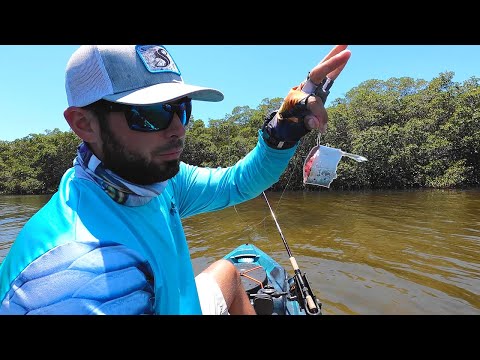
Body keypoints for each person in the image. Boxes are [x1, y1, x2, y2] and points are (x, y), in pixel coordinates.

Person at [0, 45, 351, 315]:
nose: (178, 129)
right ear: (84, 123)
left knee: (227, 273)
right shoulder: (82, 280)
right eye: (151, 114)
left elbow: (238, 183)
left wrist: (283, 130)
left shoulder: (155, 181)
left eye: (181, 108)